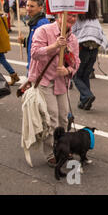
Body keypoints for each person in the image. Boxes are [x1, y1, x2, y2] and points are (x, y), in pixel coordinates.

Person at [28, 12, 80, 167]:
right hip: (44, 81)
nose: (72, 18)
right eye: (69, 15)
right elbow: (35, 53)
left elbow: (76, 61)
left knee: (64, 118)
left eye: (75, 16)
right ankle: (50, 152)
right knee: (52, 118)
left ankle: (62, 147)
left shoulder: (73, 38)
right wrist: (55, 46)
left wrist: (69, 71)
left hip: (61, 81)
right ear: (59, 15)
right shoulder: (44, 31)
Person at [72, 0, 108, 110]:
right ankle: (85, 101)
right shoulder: (94, 20)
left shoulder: (77, 18)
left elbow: (71, 34)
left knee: (75, 74)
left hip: (81, 49)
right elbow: (101, 35)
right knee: (85, 75)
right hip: (93, 50)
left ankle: (87, 95)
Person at [17, 0, 50, 70]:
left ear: (40, 8)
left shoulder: (42, 23)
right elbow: (33, 42)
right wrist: (24, 41)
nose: (28, 8)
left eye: (32, 6)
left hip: (38, 67)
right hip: (32, 65)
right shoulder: (34, 22)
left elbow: (43, 47)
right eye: (27, 5)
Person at [0, 10, 19, 85]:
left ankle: (13, 75)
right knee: (2, 59)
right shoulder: (3, 16)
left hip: (0, 41)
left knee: (2, 59)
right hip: (2, 39)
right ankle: (13, 75)